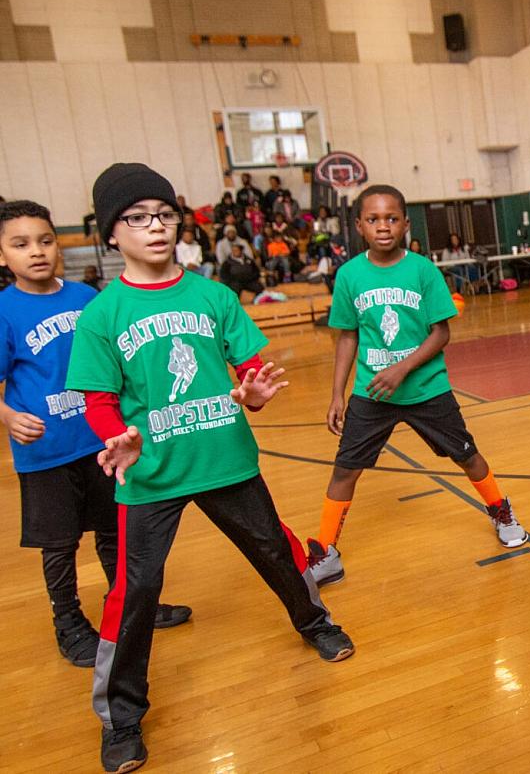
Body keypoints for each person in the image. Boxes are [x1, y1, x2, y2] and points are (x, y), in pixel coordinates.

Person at [65, 163, 354, 772]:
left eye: (164, 214)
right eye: (136, 218)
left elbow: (249, 367)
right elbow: (97, 398)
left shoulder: (213, 295)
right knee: (135, 589)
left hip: (225, 457)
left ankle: (315, 621)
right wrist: (115, 437)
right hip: (151, 472)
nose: (155, 227)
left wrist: (251, 393)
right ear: (111, 234)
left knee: (275, 549)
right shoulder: (102, 313)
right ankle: (121, 718)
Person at [0, 199, 191, 673]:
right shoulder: (4, 310)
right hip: (45, 451)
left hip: (102, 443)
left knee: (115, 533)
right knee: (60, 544)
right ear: (2, 255)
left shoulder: (88, 299)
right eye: (20, 245)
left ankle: (127, 606)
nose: (37, 252)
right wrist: (6, 416)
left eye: (45, 240)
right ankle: (68, 622)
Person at [303, 184, 528, 587]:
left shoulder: (423, 270)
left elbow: (440, 333)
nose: (383, 227)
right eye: (373, 219)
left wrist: (401, 369)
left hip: (426, 388)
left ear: (406, 223)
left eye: (391, 219)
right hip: (371, 392)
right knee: (344, 469)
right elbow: (348, 337)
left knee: (466, 455)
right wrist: (337, 393)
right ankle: (325, 550)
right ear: (359, 226)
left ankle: (500, 509)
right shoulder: (350, 275)